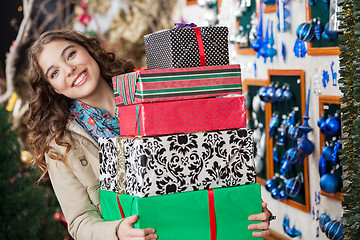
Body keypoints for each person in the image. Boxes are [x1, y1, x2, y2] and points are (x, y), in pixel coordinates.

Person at [25, 30, 273, 240]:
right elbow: (79, 221)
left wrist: (245, 206)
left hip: (197, 226)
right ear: (52, 88)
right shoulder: (61, 145)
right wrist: (117, 232)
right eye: (54, 72)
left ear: (88, 51)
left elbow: (206, 157)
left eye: (71, 54)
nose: (69, 69)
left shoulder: (155, 90)